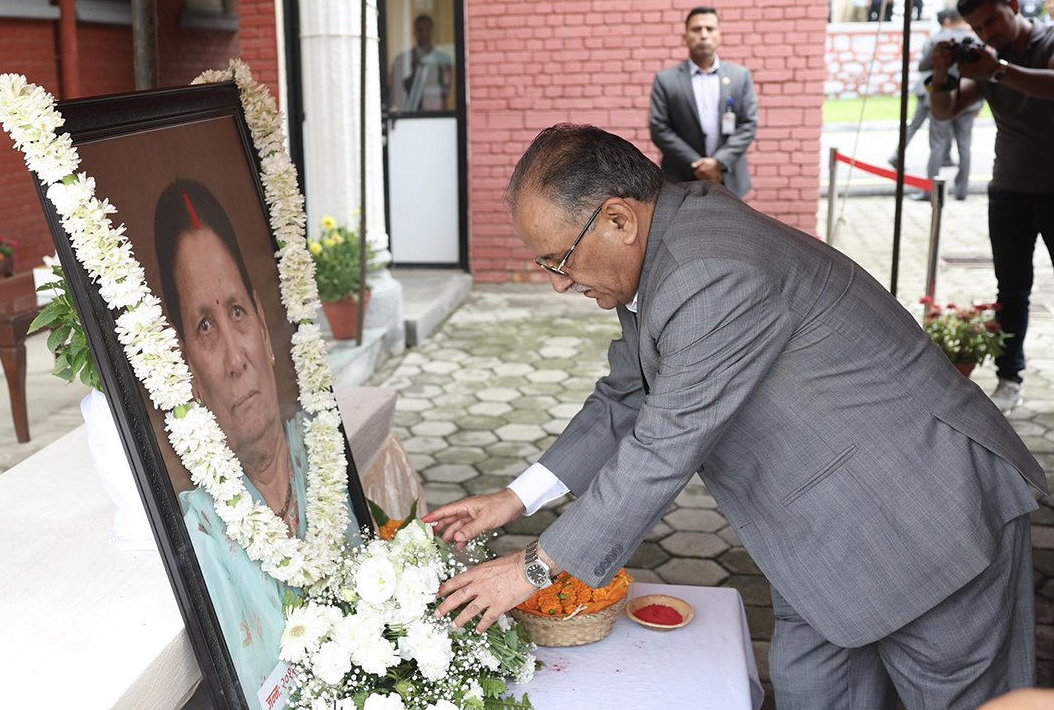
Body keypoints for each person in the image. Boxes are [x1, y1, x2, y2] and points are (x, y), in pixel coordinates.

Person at [427, 124, 1048, 709]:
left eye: (558, 259)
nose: (559, 283)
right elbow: (628, 393)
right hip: (818, 542)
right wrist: (514, 499)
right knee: (810, 690)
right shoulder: (661, 247)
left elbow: (662, 447)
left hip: (924, 517)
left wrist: (534, 568)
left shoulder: (707, 269)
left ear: (618, 219)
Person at [154, 179, 362, 709]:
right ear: (188, 370)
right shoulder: (204, 533)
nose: (234, 357)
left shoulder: (322, 453)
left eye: (237, 312)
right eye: (205, 326)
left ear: (266, 333)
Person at [929, 0, 1054, 414]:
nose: (988, 33)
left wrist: (997, 70)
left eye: (992, 21)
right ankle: (1009, 377)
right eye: (978, 28)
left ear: (1014, 6)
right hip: (1009, 190)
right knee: (1011, 290)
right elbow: (945, 111)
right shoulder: (984, 61)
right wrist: (942, 74)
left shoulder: (1047, 41)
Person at [649, 7, 758, 198]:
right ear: (685, 37)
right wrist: (698, 164)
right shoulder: (666, 80)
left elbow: (748, 124)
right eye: (696, 29)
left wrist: (718, 162)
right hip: (681, 177)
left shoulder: (740, 76)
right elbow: (660, 128)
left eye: (710, 29)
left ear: (719, 35)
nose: (704, 35)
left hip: (728, 176)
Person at [890, 8, 978, 202]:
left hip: (941, 96)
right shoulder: (976, 41)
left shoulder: (939, 41)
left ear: (948, 21)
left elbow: (923, 66)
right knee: (965, 146)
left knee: (937, 144)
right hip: (968, 97)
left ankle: (930, 190)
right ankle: (962, 190)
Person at [389, 14, 452, 112]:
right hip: (410, 113)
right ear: (415, 32)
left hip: (437, 113)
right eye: (420, 30)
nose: (424, 34)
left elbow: (447, 92)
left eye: (427, 30)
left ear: (432, 32)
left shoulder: (443, 61)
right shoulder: (401, 61)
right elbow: (396, 94)